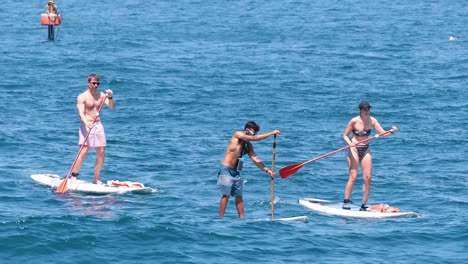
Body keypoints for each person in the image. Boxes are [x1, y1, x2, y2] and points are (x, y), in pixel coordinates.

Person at [342, 101, 398, 211]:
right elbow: (344, 135)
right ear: (360, 110)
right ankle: (346, 201)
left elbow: (383, 134)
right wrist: (350, 143)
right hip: (354, 149)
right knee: (353, 176)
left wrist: (392, 131)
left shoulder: (373, 120)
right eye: (365, 109)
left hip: (366, 148)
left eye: (368, 109)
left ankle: (364, 204)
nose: (367, 111)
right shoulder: (354, 121)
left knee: (367, 178)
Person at [218, 121, 281, 218]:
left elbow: (255, 159)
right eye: (252, 133)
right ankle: (220, 218)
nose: (253, 135)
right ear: (246, 131)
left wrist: (268, 171)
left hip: (236, 171)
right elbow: (254, 138)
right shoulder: (237, 135)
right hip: (226, 169)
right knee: (226, 195)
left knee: (239, 196)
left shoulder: (248, 146)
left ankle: (242, 219)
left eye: (255, 133)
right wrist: (271, 133)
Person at [70, 73, 115, 185]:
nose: (96, 85)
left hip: (98, 126)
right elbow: (81, 113)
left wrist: (110, 97)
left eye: (97, 83)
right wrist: (86, 124)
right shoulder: (82, 97)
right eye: (93, 83)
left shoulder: (101, 95)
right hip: (87, 125)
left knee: (101, 152)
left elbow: (111, 106)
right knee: (83, 151)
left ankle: (96, 179)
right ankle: (74, 176)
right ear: (88, 83)